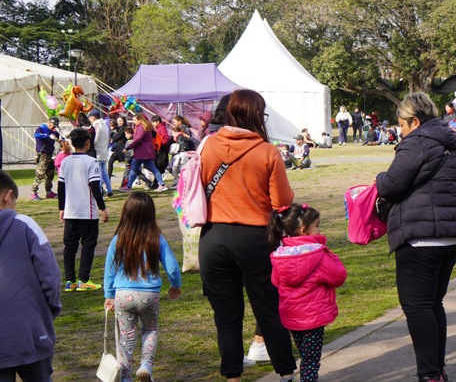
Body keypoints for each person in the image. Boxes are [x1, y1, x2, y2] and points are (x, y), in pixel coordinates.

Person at [375, 92, 456, 382]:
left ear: (415, 121)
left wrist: (379, 177)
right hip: (452, 233)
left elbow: (391, 185)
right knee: (433, 303)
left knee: (417, 306)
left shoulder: (416, 142)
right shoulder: (449, 140)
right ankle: (436, 369)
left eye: (402, 125)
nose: (400, 131)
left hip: (422, 235)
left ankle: (430, 374)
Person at [198, 89, 297, 381]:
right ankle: (286, 374)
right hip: (255, 237)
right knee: (269, 309)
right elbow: (282, 201)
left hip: (214, 237)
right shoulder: (267, 151)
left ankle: (232, 376)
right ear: (256, 115)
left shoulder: (208, 146)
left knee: (226, 317)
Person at [103, 191, 182, 382]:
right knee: (150, 330)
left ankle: (126, 376)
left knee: (126, 337)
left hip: (123, 295)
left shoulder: (118, 239)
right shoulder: (157, 238)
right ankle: (146, 365)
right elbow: (171, 265)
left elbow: (109, 269)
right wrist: (175, 284)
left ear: (126, 213)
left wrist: (109, 294)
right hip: (149, 296)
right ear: (150, 214)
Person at [268, 203, 347, 382]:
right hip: (314, 316)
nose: (319, 230)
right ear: (304, 230)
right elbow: (339, 276)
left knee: (305, 354)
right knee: (311, 359)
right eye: (317, 226)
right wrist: (328, 252)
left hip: (292, 316)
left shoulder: (281, 255)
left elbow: (275, 281)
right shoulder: (317, 255)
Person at [0, 171, 62, 381]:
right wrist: (51, 309)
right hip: (31, 331)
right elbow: (50, 276)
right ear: (8, 197)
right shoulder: (25, 224)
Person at [59, 127, 110, 291]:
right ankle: (83, 280)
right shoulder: (91, 162)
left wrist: (61, 208)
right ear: (88, 143)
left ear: (72, 144)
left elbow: (61, 187)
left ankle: (70, 281)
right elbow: (95, 187)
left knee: (70, 246)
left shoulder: (65, 161)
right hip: (87, 213)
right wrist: (103, 208)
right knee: (88, 245)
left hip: (70, 211)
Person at [126, 113, 167, 192]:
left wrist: (128, 147)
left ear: (140, 120)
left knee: (150, 168)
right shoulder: (142, 127)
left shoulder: (142, 127)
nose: (134, 122)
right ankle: (128, 186)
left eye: (135, 120)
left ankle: (162, 184)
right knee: (134, 169)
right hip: (142, 152)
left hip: (142, 153)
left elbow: (138, 139)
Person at [31, 116, 61, 199]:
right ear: (49, 122)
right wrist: (47, 136)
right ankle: (34, 192)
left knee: (50, 174)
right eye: (53, 125)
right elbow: (36, 135)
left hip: (50, 154)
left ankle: (49, 192)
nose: (54, 127)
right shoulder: (41, 128)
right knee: (40, 174)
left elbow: (59, 138)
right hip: (43, 154)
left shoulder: (54, 131)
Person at [88, 110, 114, 197]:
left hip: (98, 151)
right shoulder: (105, 125)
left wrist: (91, 145)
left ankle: (99, 192)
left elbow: (96, 137)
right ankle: (109, 189)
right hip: (103, 150)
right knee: (103, 172)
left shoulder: (96, 125)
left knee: (97, 173)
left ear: (93, 117)